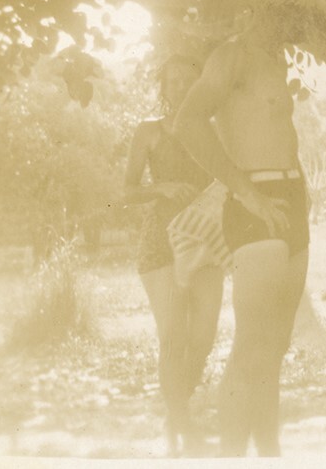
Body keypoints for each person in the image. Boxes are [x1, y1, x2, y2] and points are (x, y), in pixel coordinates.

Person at [173, 4, 311, 457]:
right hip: (256, 200)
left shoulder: (275, 60)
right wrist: (243, 190)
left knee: (275, 347)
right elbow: (189, 122)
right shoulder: (231, 55)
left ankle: (270, 456)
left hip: (292, 201)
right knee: (253, 345)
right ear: (253, 7)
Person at [123, 55, 224, 456]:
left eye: (188, 80)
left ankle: (176, 408)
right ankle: (183, 425)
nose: (180, 87)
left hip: (205, 240)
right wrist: (161, 188)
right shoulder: (149, 131)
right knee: (172, 336)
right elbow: (127, 191)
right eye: (173, 81)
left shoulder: (216, 130)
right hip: (160, 242)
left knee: (203, 337)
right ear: (162, 88)